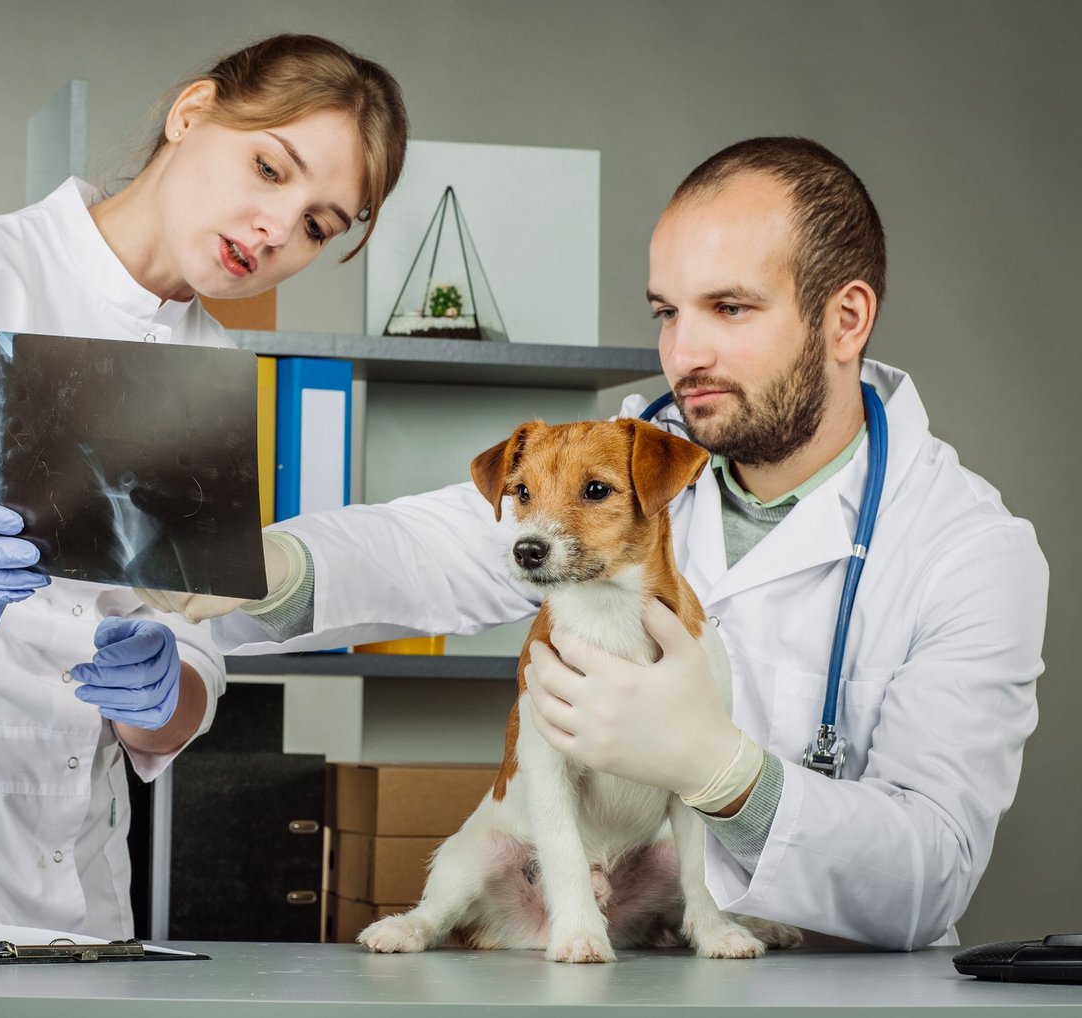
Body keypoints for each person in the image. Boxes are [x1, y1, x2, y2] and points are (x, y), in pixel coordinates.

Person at [167, 137, 1048, 951]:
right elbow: (422, 545)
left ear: (846, 318)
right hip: (613, 966)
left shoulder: (967, 550)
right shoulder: (620, 455)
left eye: (730, 307)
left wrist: (725, 773)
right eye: (668, 311)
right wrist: (266, 565)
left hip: (829, 985)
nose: (684, 353)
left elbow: (932, 873)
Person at [0, 33, 408, 938]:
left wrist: (166, 699)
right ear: (191, 113)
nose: (280, 229)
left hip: (75, 852)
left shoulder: (213, 369)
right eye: (270, 168)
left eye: (318, 225)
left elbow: (193, 638)